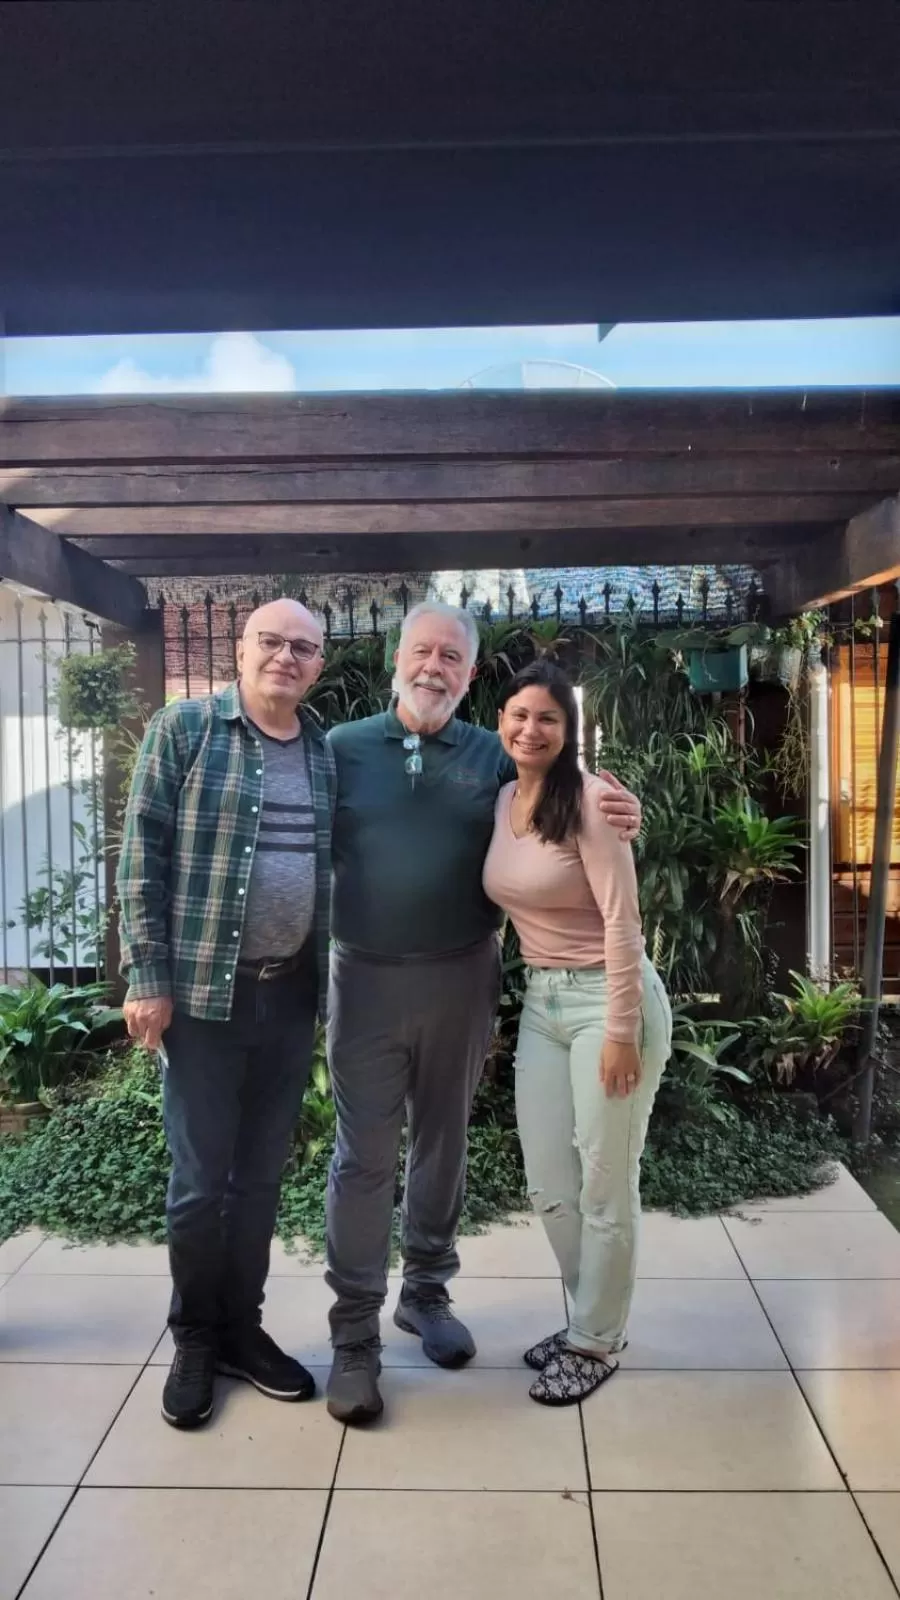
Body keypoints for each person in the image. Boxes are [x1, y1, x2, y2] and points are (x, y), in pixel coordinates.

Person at [323, 602, 642, 1425]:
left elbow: (564, 792)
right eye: (422, 651)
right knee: (363, 1158)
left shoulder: (493, 755)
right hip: (364, 981)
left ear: (471, 676)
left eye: (451, 657)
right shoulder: (340, 749)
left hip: (462, 977)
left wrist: (624, 805)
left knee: (443, 1141)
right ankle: (354, 1334)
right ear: (397, 657)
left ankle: (426, 1294)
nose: (434, 667)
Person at [117, 598, 335, 1430]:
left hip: (290, 995)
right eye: (271, 642)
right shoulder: (185, 730)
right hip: (206, 997)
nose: (286, 657)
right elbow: (142, 857)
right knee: (200, 1184)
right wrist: (149, 976)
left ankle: (242, 1329)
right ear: (241, 650)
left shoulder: (321, 750)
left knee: (260, 1180)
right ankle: (195, 1337)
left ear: (318, 665)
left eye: (302, 648)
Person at [482, 660, 672, 1405]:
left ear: (568, 730)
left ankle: (594, 1339)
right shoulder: (504, 798)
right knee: (549, 1184)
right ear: (501, 720)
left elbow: (624, 923)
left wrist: (622, 1029)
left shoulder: (592, 802)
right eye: (520, 714)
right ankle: (589, 1316)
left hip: (609, 1002)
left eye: (548, 718)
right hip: (543, 1003)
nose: (531, 729)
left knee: (604, 1179)